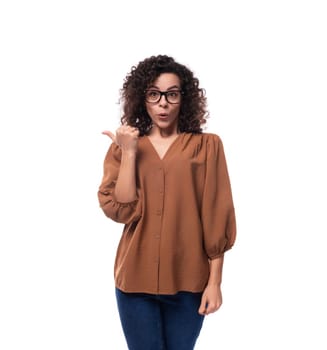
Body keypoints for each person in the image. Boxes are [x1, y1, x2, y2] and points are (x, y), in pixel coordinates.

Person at [98, 54, 237, 350]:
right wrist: (130, 153)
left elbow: (216, 215)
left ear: (183, 99)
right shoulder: (124, 147)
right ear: (142, 98)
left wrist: (215, 282)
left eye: (171, 94)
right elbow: (121, 210)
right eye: (154, 94)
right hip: (134, 282)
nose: (163, 103)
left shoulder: (207, 146)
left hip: (189, 281)